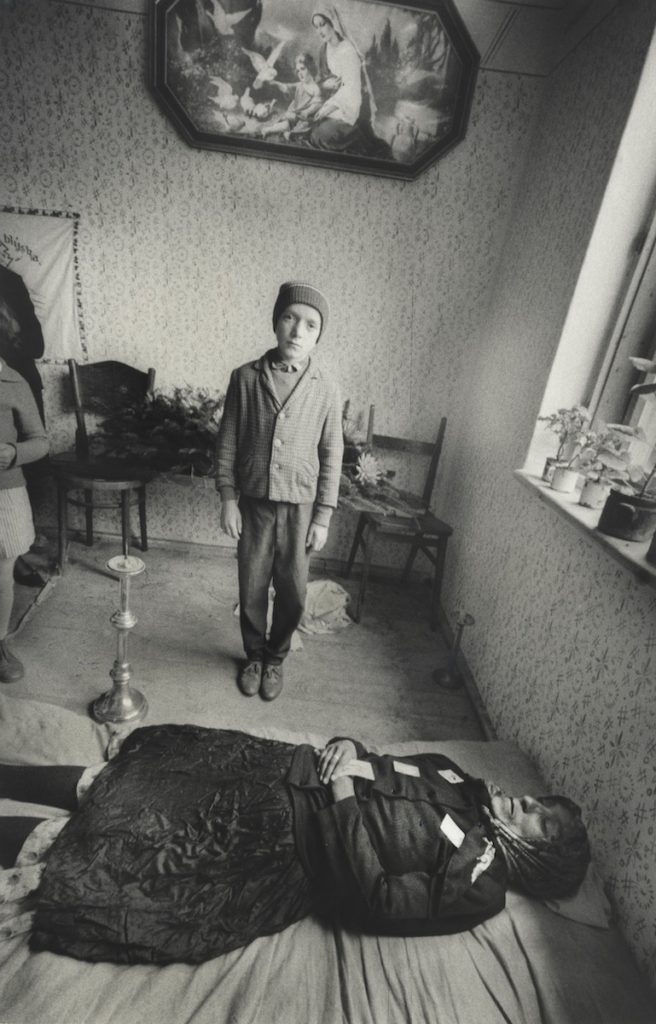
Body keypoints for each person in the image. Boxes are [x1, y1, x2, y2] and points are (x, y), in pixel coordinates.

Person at [0, 724, 591, 965]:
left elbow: (384, 901)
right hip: (282, 771)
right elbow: (384, 760)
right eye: (541, 800)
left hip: (290, 845)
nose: (529, 803)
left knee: (123, 849)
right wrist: (347, 748)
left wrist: (340, 802)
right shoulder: (465, 783)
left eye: (543, 820)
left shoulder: (481, 884)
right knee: (139, 778)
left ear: (542, 857)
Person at [215, 282, 343, 701]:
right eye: (290, 318)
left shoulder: (325, 386)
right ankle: (253, 655)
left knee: (293, 589)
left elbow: (332, 451)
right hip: (254, 504)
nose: (298, 331)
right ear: (275, 322)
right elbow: (228, 441)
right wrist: (228, 498)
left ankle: (275, 658)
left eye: (310, 324)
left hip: (300, 508)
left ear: (318, 335)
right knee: (251, 583)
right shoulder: (246, 378)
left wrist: (323, 515)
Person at [0, 357, 49, 682]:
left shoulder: (13, 382)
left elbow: (41, 441)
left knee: (2, 571)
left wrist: (14, 452)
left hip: (4, 491)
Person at [309, 7, 389, 158]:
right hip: (327, 99)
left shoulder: (348, 51)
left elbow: (351, 89)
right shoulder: (323, 49)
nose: (320, 31)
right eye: (316, 27)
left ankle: (357, 139)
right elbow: (319, 79)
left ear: (333, 23)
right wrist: (325, 85)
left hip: (347, 105)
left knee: (319, 136)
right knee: (307, 123)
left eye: (323, 24)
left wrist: (328, 108)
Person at [260, 53, 323, 139]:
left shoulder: (315, 88)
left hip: (306, 117)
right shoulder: (300, 84)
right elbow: (288, 87)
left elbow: (317, 104)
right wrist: (276, 83)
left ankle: (289, 133)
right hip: (295, 115)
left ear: (310, 68)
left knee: (300, 127)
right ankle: (268, 130)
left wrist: (307, 112)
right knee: (286, 123)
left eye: (302, 69)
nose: (300, 73)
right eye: (298, 71)